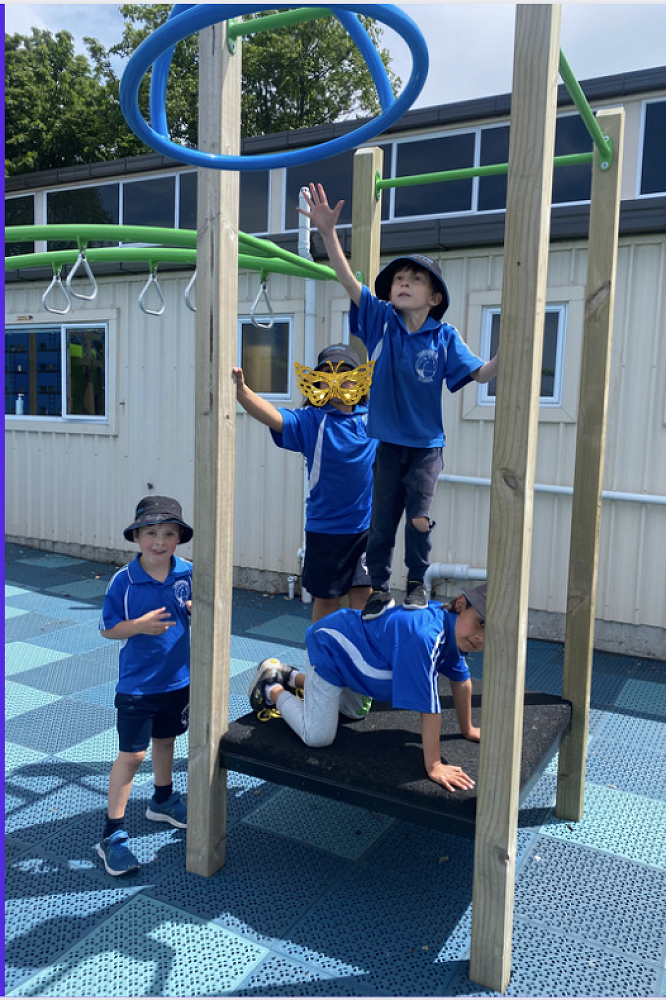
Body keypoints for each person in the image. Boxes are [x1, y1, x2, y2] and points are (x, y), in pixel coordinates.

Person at [298, 183, 499, 621]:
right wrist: (328, 234)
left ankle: (416, 583)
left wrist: (508, 356)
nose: (404, 283)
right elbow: (348, 281)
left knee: (419, 518)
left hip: (426, 446)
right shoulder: (381, 322)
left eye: (415, 279)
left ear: (435, 297)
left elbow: (481, 374)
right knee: (383, 522)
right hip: (387, 444)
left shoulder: (444, 337)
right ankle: (378, 588)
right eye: (398, 280)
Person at [248, 583, 487, 791]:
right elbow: (429, 708)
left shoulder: (451, 630)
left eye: (490, 633)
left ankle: (291, 676)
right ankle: (272, 683)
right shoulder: (427, 636)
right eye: (481, 623)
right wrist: (434, 765)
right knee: (317, 736)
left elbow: (461, 681)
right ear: (460, 604)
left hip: (356, 661)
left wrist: (467, 729)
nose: (481, 637)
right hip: (331, 646)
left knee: (355, 712)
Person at [233, 343, 378, 625]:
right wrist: (242, 391)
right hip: (326, 530)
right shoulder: (312, 421)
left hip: (364, 529)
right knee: (328, 599)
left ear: (359, 379)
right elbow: (273, 416)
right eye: (327, 375)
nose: (336, 381)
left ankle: (358, 648)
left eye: (345, 374)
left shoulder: (373, 418)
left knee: (364, 593)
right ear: (317, 382)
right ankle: (319, 650)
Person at [96, 495, 193, 876]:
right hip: (137, 686)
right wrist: (137, 626)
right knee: (133, 755)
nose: (159, 541)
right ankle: (112, 834)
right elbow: (108, 628)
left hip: (177, 681)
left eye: (168, 533)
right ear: (136, 537)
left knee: (166, 740)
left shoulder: (188, 573)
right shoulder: (125, 580)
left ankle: (162, 800)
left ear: (179, 538)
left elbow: (203, 610)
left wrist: (198, 610)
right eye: (151, 532)